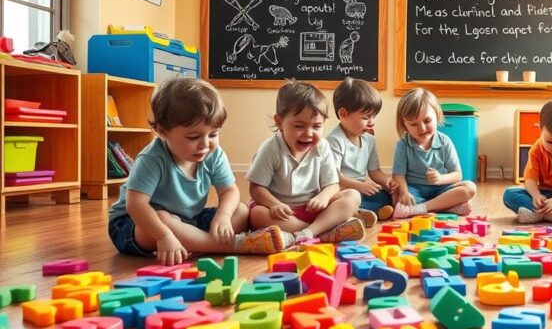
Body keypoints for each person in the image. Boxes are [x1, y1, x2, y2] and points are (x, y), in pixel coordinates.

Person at [108, 78, 284, 264]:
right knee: (163, 218)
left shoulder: (213, 153)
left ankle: (198, 244)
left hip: (187, 219)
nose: (205, 144)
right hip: (136, 224)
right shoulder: (153, 158)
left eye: (214, 134)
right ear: (162, 131)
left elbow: (229, 191)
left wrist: (223, 217)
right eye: (193, 137)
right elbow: (136, 205)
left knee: (240, 210)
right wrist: (163, 236)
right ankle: (232, 245)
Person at [248, 80, 366, 245]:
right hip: (284, 213)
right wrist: (274, 204)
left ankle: (309, 232)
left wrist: (323, 198)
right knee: (256, 214)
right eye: (299, 126)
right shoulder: (270, 148)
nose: (308, 133)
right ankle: (323, 233)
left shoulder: (323, 147)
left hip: (314, 209)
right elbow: (256, 188)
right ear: (279, 122)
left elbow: (333, 184)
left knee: (352, 195)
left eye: (317, 126)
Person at [391, 87, 476, 219]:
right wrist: (404, 192)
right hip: (415, 191)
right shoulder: (402, 145)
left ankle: (421, 209)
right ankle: (447, 207)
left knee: (469, 187)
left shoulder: (445, 141)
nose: (422, 128)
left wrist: (440, 179)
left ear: (437, 115)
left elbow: (457, 175)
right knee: (396, 195)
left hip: (441, 190)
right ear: (404, 125)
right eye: (413, 124)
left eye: (427, 121)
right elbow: (398, 175)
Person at [327, 77, 397, 221]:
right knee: (349, 198)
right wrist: (359, 186)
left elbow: (375, 172)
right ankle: (358, 212)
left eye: (374, 116)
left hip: (360, 188)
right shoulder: (335, 140)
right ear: (343, 114)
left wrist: (388, 182)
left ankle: (364, 212)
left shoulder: (368, 139)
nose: (372, 123)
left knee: (386, 194)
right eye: (366, 117)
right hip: (342, 190)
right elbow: (334, 177)